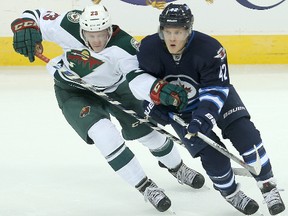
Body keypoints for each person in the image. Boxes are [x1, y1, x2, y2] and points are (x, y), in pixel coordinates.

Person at [10, 3, 205, 213]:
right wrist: (25, 26)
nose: (97, 41)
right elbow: (35, 15)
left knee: (151, 135)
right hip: (74, 91)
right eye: (90, 35)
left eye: (102, 34)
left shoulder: (125, 46)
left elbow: (136, 76)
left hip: (117, 88)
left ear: (109, 30)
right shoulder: (69, 24)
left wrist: (156, 88)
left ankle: (177, 168)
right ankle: (146, 187)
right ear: (82, 29)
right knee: (104, 134)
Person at [127, 3, 285, 215]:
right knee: (213, 158)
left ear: (188, 30)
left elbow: (216, 90)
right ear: (161, 30)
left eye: (178, 32)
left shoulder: (210, 49)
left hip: (219, 100)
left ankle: (268, 186)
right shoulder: (149, 49)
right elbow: (140, 83)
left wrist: (203, 118)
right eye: (168, 32)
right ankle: (231, 193)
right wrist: (152, 106)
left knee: (247, 137)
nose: (172, 38)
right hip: (180, 110)